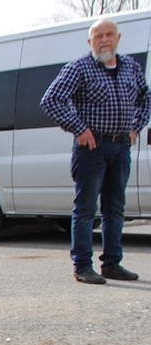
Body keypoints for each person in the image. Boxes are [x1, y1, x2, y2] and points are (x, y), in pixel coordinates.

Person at [41, 16, 148, 284]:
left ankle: (112, 263)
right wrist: (79, 128)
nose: (104, 40)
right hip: (92, 148)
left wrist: (136, 126)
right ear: (90, 41)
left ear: (118, 38)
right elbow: (51, 100)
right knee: (86, 209)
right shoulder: (80, 67)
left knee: (115, 208)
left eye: (109, 34)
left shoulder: (131, 68)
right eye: (98, 36)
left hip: (121, 146)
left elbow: (146, 99)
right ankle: (82, 265)